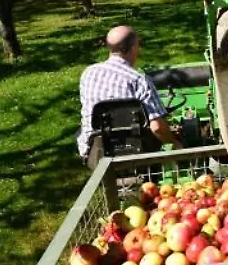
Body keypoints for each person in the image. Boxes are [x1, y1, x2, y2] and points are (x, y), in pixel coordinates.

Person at [76, 26, 181, 168]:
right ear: (133, 48)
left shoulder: (88, 74)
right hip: (137, 154)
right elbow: (157, 128)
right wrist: (176, 143)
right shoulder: (138, 80)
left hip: (96, 154)